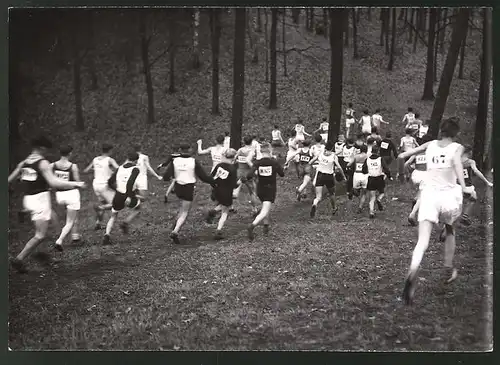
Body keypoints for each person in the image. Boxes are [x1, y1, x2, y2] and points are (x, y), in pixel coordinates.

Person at [398, 118, 476, 305]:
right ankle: (448, 267)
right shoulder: (457, 147)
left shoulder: (429, 144)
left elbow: (402, 157)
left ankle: (413, 269)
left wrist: (402, 174)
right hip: (449, 197)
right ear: (456, 133)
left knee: (422, 240)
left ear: (441, 131)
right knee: (450, 229)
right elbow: (457, 163)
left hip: (429, 196)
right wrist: (465, 187)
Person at [8, 136, 86, 273]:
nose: (47, 152)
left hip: (28, 199)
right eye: (46, 149)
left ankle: (43, 254)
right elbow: (54, 183)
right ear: (41, 148)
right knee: (40, 235)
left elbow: (10, 179)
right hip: (40, 200)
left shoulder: (24, 162)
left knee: (54, 220)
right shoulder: (42, 163)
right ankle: (19, 259)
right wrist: (75, 183)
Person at [163, 143, 216, 244]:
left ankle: (174, 225)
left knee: (182, 208)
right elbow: (203, 177)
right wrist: (213, 182)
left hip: (178, 187)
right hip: (188, 187)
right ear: (190, 149)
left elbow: (166, 176)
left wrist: (173, 176)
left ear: (180, 150)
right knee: (185, 212)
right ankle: (175, 230)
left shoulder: (175, 160)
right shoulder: (193, 161)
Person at [246, 143, 285, 241]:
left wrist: (257, 173)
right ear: (270, 150)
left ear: (261, 151)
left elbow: (249, 175)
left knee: (265, 207)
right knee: (264, 210)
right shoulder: (274, 162)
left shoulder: (257, 163)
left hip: (260, 189)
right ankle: (252, 225)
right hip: (270, 189)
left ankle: (266, 226)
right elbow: (282, 174)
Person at [103, 151, 143, 245]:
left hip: (118, 195)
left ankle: (107, 234)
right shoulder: (135, 169)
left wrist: (116, 189)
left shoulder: (119, 168)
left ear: (128, 158)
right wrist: (129, 196)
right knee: (138, 208)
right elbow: (130, 183)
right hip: (128, 195)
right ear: (136, 161)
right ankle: (125, 222)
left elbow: (110, 181)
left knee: (113, 216)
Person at [50, 145, 82, 251]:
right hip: (71, 194)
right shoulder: (73, 166)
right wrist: (81, 184)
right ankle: (59, 241)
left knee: (70, 216)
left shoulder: (52, 165)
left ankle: (75, 236)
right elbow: (77, 182)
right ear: (70, 154)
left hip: (59, 195)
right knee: (70, 221)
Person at [206, 149, 240, 240]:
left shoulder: (219, 165)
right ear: (234, 157)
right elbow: (234, 185)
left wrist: (214, 186)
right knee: (225, 212)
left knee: (221, 204)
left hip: (217, 190)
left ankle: (213, 211)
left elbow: (210, 178)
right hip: (226, 192)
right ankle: (218, 230)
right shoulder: (232, 169)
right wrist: (240, 182)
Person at [83, 143, 119, 230]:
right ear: (110, 151)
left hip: (96, 185)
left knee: (104, 203)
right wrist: (112, 172)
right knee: (115, 204)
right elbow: (119, 168)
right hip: (105, 185)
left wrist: (97, 169)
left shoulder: (95, 159)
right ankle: (100, 208)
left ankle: (98, 224)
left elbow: (86, 170)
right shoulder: (109, 160)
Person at [308, 141, 345, 217]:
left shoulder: (320, 154)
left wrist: (310, 168)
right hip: (329, 176)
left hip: (320, 175)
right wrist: (343, 176)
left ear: (325, 147)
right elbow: (339, 167)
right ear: (332, 148)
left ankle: (315, 203)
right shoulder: (334, 156)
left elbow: (311, 162)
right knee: (332, 193)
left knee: (318, 196)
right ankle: (334, 208)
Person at [459, 145, 493, 226]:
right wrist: (487, 182)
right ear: (469, 152)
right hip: (467, 186)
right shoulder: (470, 162)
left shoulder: (456, 161)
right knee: (473, 198)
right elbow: (476, 171)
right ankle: (465, 216)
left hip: (456, 185)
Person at [404, 135, 434, 226]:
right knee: (424, 196)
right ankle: (412, 214)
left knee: (421, 192)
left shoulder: (416, 152)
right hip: (425, 175)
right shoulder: (431, 153)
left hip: (416, 174)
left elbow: (406, 163)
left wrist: (408, 174)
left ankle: (415, 199)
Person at [233, 136, 259, 216]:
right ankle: (254, 209)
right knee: (252, 192)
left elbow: (234, 159)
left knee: (236, 188)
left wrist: (238, 161)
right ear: (251, 142)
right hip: (248, 173)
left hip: (240, 172)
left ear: (244, 142)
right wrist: (255, 169)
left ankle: (231, 204)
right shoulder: (252, 151)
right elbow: (251, 162)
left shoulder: (240, 150)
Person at [363, 144, 391, 219]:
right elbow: (386, 169)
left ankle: (371, 211)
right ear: (378, 151)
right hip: (379, 178)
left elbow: (364, 170)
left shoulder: (367, 159)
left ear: (371, 151)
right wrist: (389, 176)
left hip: (371, 178)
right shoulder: (380, 159)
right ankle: (379, 199)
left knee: (372, 197)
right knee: (382, 192)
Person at [349, 144, 369, 213]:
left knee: (356, 190)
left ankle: (353, 191)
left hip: (357, 174)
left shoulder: (356, 156)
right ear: (366, 150)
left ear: (360, 150)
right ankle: (360, 207)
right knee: (364, 193)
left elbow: (349, 164)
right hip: (365, 175)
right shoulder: (368, 156)